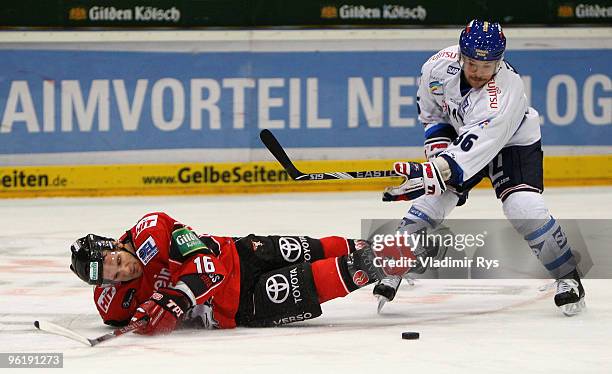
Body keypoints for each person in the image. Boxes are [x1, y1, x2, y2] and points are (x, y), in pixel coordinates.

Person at [374, 19, 585, 316]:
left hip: (512, 141)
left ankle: (568, 278)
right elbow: (434, 117)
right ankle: (395, 266)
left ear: (498, 62)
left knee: (523, 207)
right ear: (460, 55)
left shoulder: (503, 94)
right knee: (432, 198)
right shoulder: (436, 67)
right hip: (465, 138)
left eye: (487, 66)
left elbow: (474, 150)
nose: (478, 72)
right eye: (472, 63)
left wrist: (435, 170)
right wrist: (435, 162)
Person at [69, 211, 410, 335]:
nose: (122, 271)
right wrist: (147, 321)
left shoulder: (152, 231)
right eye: (112, 276)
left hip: (241, 253)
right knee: (311, 283)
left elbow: (207, 266)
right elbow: (130, 320)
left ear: (115, 244)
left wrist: (171, 300)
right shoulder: (113, 304)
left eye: (116, 260)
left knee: (318, 247)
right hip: (236, 304)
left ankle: (395, 244)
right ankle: (385, 261)